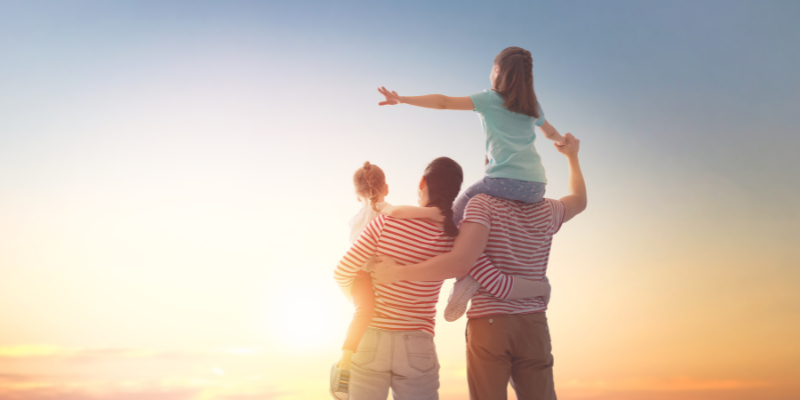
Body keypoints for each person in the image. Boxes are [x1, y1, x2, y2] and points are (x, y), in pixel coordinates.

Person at [372, 134, 587, 400]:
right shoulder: (548, 210)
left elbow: (462, 259)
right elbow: (579, 200)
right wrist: (572, 157)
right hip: (534, 323)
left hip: (489, 322)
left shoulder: (482, 205)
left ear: (491, 168)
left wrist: (398, 273)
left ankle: (466, 288)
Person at [332, 157, 555, 400]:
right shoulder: (456, 239)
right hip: (418, 343)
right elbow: (491, 278)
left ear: (422, 182)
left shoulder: (385, 223)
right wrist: (540, 287)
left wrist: (363, 304)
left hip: (370, 337)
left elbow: (342, 272)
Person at [377, 46, 566, 317]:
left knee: (451, 220)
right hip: (536, 186)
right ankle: (481, 273)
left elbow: (443, 102)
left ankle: (469, 278)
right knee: (481, 225)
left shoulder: (490, 99)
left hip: (502, 182)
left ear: (497, 71)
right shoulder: (532, 106)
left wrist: (403, 99)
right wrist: (563, 143)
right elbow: (551, 133)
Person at [330, 161, 446, 400]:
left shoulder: (363, 221)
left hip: (368, 320)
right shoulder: (392, 217)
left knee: (362, 312)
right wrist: (436, 213)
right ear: (387, 188)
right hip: (417, 340)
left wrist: (353, 295)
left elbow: (343, 271)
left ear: (356, 194)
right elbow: (404, 212)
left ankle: (344, 360)